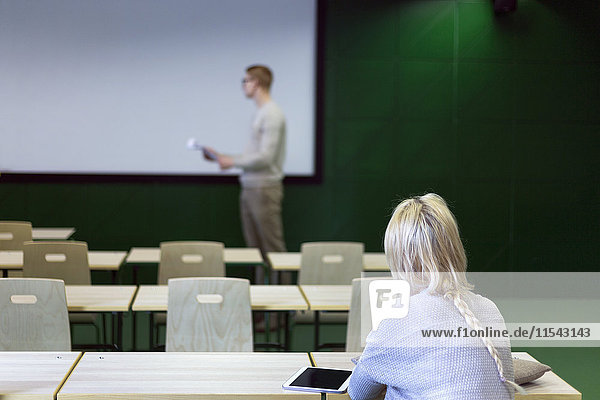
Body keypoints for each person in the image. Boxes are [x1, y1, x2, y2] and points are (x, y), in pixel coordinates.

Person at [348, 193, 522, 400]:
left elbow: (358, 392)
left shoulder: (397, 320)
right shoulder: (490, 309)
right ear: (455, 249)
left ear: (399, 259)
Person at [204, 65, 286, 280]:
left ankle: (284, 311)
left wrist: (230, 161)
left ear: (256, 82)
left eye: (245, 80)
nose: (244, 85)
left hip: (264, 189)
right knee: (256, 253)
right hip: (251, 187)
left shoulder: (271, 114)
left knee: (273, 251)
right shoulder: (261, 113)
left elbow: (266, 157)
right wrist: (222, 157)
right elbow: (255, 155)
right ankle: (262, 310)